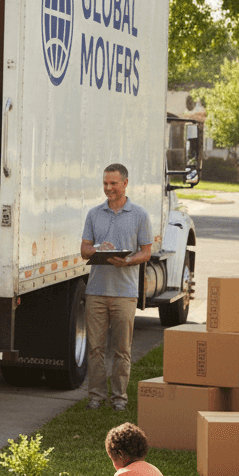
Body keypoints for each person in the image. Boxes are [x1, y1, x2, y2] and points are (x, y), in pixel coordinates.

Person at [80, 163, 153, 410]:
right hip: (96, 292)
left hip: (124, 293)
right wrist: (100, 249)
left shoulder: (140, 215)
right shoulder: (94, 213)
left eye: (113, 183)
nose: (108, 188)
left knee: (122, 350)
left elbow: (146, 253)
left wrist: (128, 261)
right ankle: (96, 397)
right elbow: (84, 250)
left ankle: (119, 399)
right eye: (105, 183)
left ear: (125, 183)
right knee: (95, 349)